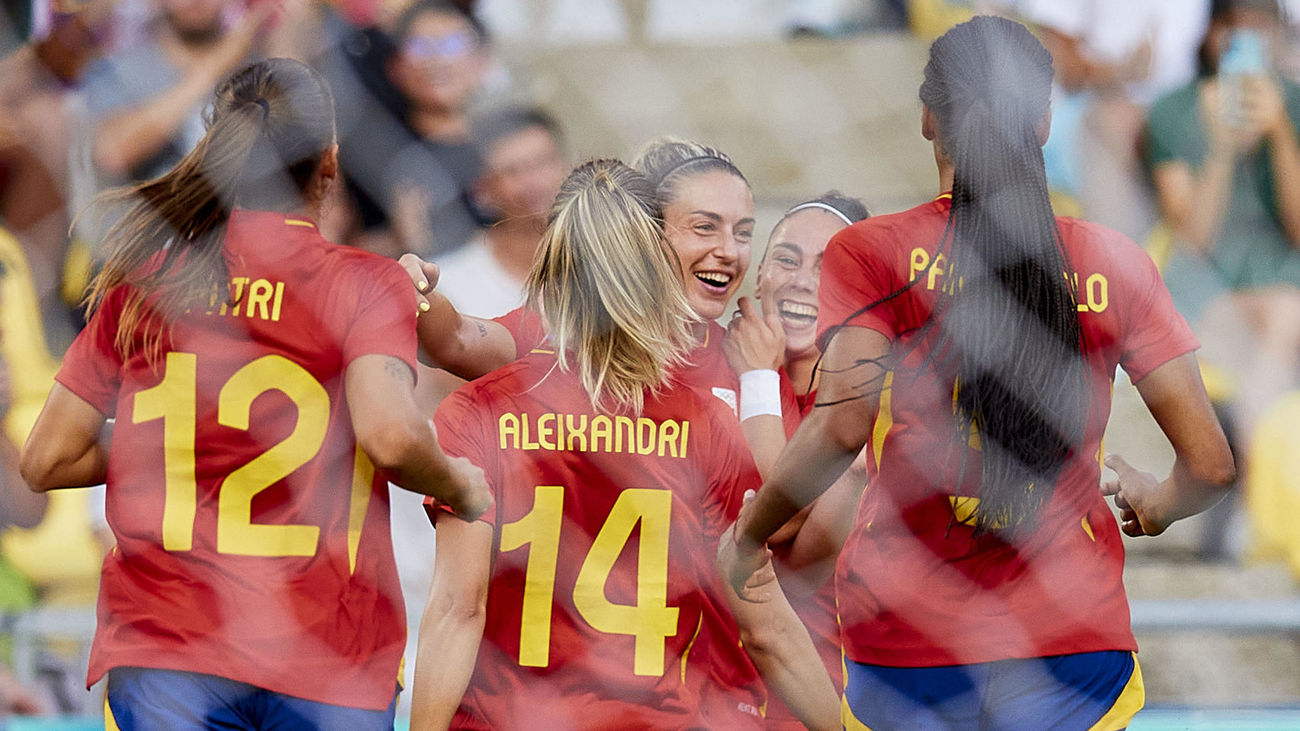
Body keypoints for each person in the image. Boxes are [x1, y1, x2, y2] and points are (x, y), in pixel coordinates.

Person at [722, 16, 1236, 730]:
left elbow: (839, 429)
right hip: (1071, 643)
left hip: (910, 641)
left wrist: (751, 531)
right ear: (1047, 122)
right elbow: (1209, 466)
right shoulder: (1113, 261)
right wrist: (1157, 500)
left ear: (929, 118)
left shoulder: (876, 253)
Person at [18, 57, 490, 729]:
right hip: (327, 653)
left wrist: (186, 437)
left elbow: (47, 460)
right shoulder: (362, 282)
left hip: (169, 645)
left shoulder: (148, 282)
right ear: (330, 160)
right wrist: (461, 483)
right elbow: (391, 436)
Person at [409, 158, 835, 731]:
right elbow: (769, 629)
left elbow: (458, 609)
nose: (728, 249)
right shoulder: (705, 421)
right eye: (706, 227)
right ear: (657, 270)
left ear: (550, 265)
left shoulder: (479, 409)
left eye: (741, 230)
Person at [728, 192, 872, 730]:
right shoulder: (701, 369)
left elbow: (780, 524)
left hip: (827, 697)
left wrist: (758, 379)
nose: (803, 280)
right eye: (787, 259)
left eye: (829, 266)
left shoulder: (871, 400)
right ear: (759, 273)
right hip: (700, 695)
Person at [1145, 0, 1300, 435]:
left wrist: (1281, 134)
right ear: (1212, 33)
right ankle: (1260, 454)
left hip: (1283, 275)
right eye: (1235, 30)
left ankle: (1251, 448)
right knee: (1285, 316)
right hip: (1207, 285)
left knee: (1287, 310)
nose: (1247, 44)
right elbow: (1194, 242)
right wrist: (1222, 147)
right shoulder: (1172, 111)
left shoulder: (1294, 103)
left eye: (1260, 30)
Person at [433, 105, 568, 318]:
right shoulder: (448, 288)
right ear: (482, 189)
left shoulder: (609, 258)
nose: (535, 183)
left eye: (543, 162)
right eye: (512, 171)